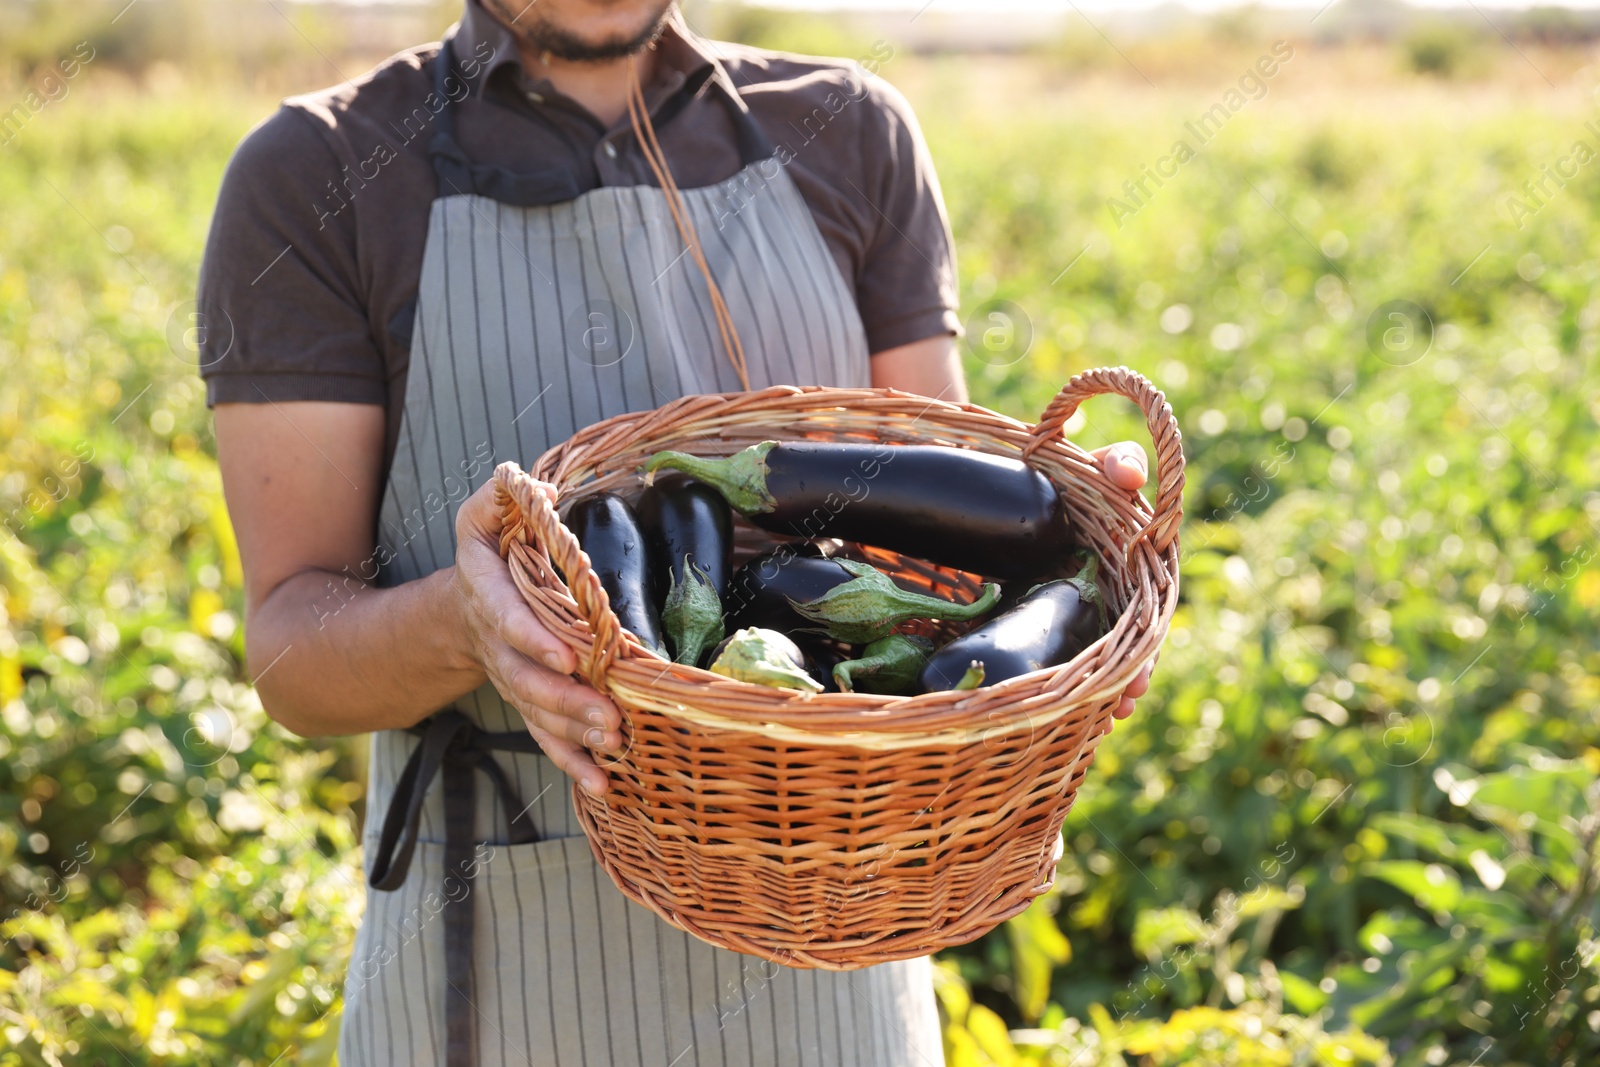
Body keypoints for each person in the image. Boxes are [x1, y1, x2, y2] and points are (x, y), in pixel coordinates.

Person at [197, 0, 1153, 1063]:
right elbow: (290, 652)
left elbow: (942, 546)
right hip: (503, 967)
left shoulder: (848, 130)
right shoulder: (319, 174)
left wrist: (1071, 555)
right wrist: (468, 623)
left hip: (837, 960)